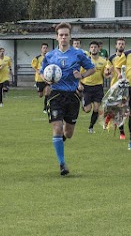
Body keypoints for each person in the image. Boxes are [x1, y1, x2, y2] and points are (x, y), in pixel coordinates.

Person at [40, 22, 95, 176]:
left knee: (68, 133)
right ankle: (62, 164)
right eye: (61, 35)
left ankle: (60, 140)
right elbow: (42, 72)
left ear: (70, 36)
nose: (63, 37)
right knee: (57, 128)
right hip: (56, 95)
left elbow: (92, 68)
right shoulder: (50, 55)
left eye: (66, 35)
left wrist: (82, 76)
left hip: (72, 96)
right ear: (57, 37)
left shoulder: (78, 54)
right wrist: (47, 79)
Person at [79, 41, 109, 134]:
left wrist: (107, 73)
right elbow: (80, 73)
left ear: (98, 49)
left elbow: (105, 74)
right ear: (89, 49)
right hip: (86, 87)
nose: (93, 49)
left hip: (98, 87)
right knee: (87, 110)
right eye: (91, 47)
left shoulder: (103, 61)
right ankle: (83, 102)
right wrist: (79, 84)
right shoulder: (86, 60)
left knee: (96, 108)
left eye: (95, 47)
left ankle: (91, 127)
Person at [106, 38, 127, 139]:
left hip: (126, 87)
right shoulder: (111, 58)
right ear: (116, 46)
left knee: (122, 109)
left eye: (122, 44)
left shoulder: (127, 57)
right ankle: (121, 132)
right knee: (118, 109)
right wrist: (108, 71)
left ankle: (120, 129)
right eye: (119, 44)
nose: (121, 45)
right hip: (115, 87)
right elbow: (106, 72)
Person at [31, 43, 49, 113]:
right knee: (40, 95)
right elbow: (33, 66)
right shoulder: (37, 58)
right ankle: (38, 89)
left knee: (47, 92)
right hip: (39, 78)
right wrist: (37, 71)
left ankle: (45, 108)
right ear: (41, 49)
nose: (45, 49)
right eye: (43, 48)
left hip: (47, 78)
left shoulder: (49, 57)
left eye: (46, 48)